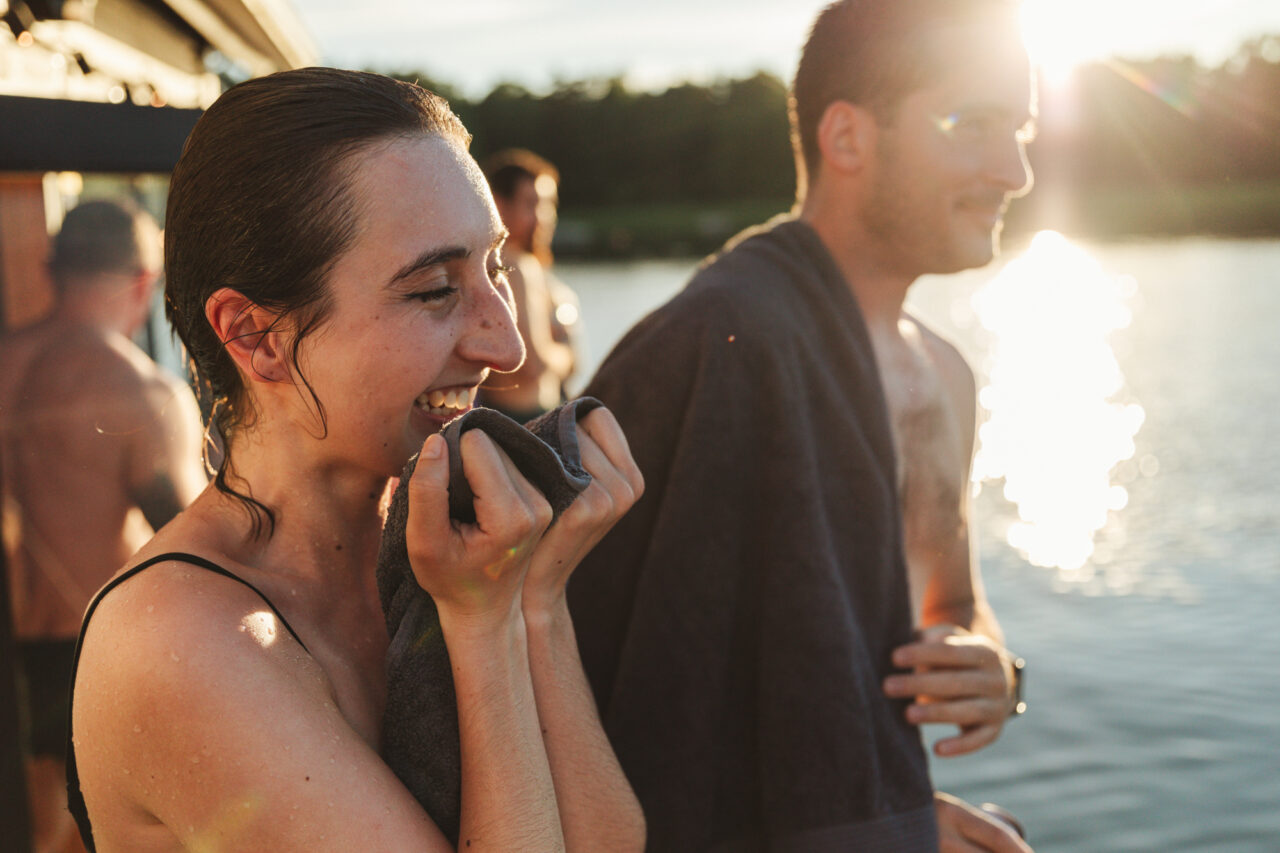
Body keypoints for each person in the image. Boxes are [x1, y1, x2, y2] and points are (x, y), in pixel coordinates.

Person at [64, 68, 646, 852]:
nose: (505, 346)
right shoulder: (178, 639)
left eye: (495, 268)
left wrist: (536, 602)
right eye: (436, 289)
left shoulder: (439, 554)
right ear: (256, 337)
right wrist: (485, 628)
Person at [568, 0, 1037, 850]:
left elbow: (950, 599)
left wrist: (992, 670)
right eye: (975, 123)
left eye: (1024, 132)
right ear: (848, 138)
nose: (1015, 171)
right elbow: (594, 658)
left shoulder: (947, 376)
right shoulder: (716, 342)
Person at [0, 198, 206, 853]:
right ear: (144, 283)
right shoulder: (139, 390)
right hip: (85, 656)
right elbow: (200, 550)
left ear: (52, 270)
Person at [479, 149, 582, 420]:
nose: (543, 217)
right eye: (531, 204)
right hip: (527, 417)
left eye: (548, 205)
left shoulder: (493, 265)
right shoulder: (517, 266)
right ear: (500, 205)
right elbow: (533, 364)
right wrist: (569, 356)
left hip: (511, 415)